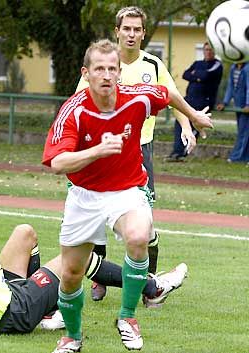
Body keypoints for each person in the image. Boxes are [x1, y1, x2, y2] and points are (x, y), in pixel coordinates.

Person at [42, 39, 211, 352]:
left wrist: (194, 117)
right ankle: (72, 337)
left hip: (126, 189)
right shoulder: (74, 110)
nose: (106, 74)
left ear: (119, 72)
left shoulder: (138, 98)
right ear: (86, 73)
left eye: (111, 68)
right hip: (84, 195)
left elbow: (168, 93)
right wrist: (97, 151)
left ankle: (128, 316)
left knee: (138, 237)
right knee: (71, 274)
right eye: (99, 69)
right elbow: (57, 163)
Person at [0, 176, 173, 340]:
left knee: (25, 233)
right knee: (78, 258)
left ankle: (46, 310)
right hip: (12, 314)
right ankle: (153, 287)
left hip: (0, 299)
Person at [75, 6, 201, 303]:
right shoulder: (104, 64)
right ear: (117, 31)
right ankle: (100, 280)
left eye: (137, 29)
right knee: (95, 220)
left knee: (145, 224)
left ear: (143, 33)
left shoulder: (153, 65)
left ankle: (150, 284)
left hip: (140, 151)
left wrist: (187, 126)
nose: (131, 34)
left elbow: (171, 98)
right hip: (103, 150)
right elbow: (79, 103)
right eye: (126, 29)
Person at [167, 42, 223, 162]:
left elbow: (205, 76)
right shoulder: (198, 63)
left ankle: (182, 153)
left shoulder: (217, 65)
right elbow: (185, 74)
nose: (208, 52)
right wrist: (197, 77)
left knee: (193, 126)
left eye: (210, 50)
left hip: (203, 101)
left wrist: (196, 76)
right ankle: (176, 151)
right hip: (189, 99)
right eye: (206, 49)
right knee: (180, 123)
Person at [217, 61, 249, 164]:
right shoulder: (233, 68)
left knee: (243, 131)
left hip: (248, 105)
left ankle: (235, 157)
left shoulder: (248, 68)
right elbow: (231, 87)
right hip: (238, 104)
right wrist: (225, 103)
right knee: (244, 130)